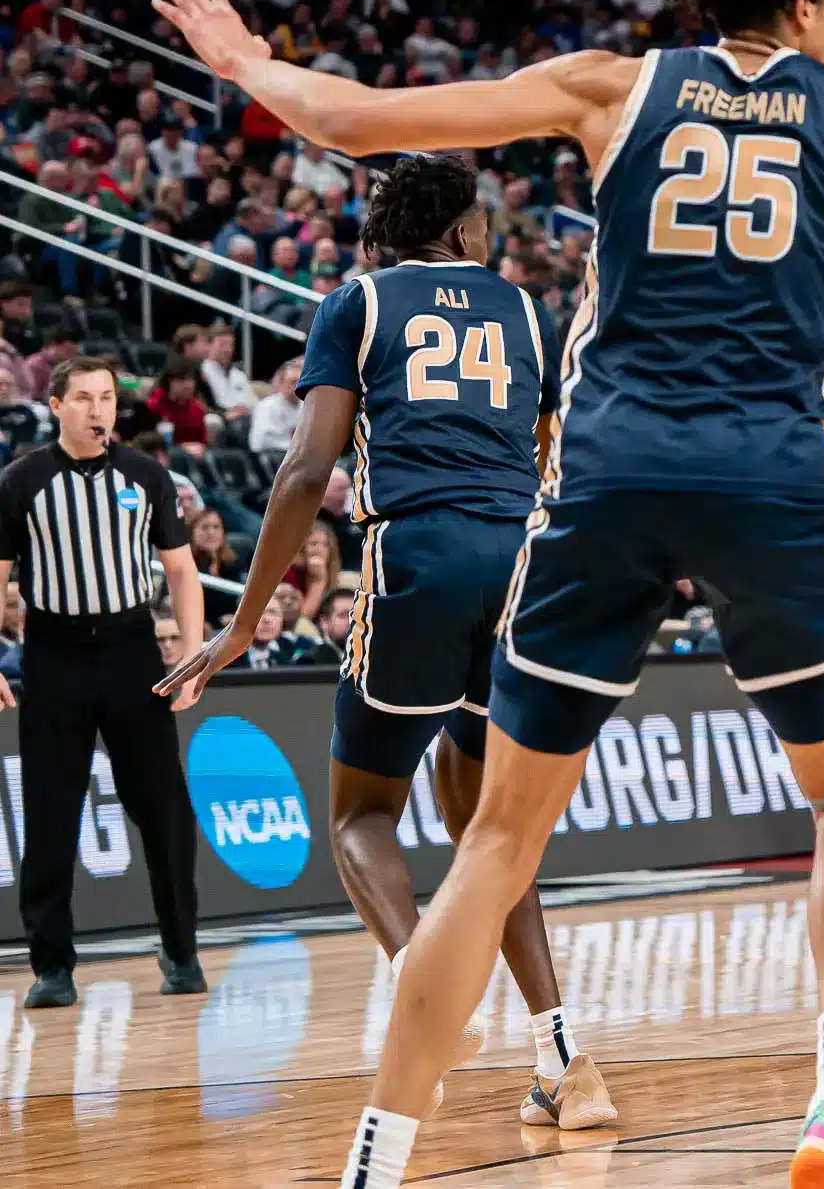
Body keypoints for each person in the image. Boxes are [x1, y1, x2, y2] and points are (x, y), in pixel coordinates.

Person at [154, 0, 824, 1189]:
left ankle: (374, 1163)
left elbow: (349, 117)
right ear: (803, 4)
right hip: (766, 477)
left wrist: (240, 58)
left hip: (607, 479)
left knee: (498, 842)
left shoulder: (611, 88)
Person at [156, 155, 612, 1131]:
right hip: (520, 563)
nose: (489, 235)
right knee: (496, 835)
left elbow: (305, 468)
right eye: (480, 221)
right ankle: (569, 1069)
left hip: (417, 555)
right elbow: (549, 452)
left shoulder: (356, 302)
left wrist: (244, 624)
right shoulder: (528, 312)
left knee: (361, 813)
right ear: (453, 231)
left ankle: (424, 995)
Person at [0, 354, 209, 1007]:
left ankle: (180, 950)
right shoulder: (21, 479)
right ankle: (52, 966)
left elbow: (182, 571)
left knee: (164, 809)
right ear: (56, 405)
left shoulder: (146, 474)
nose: (98, 410)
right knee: (53, 811)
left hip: (130, 650)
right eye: (84, 397)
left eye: (108, 398)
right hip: (53, 653)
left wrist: (194, 652)